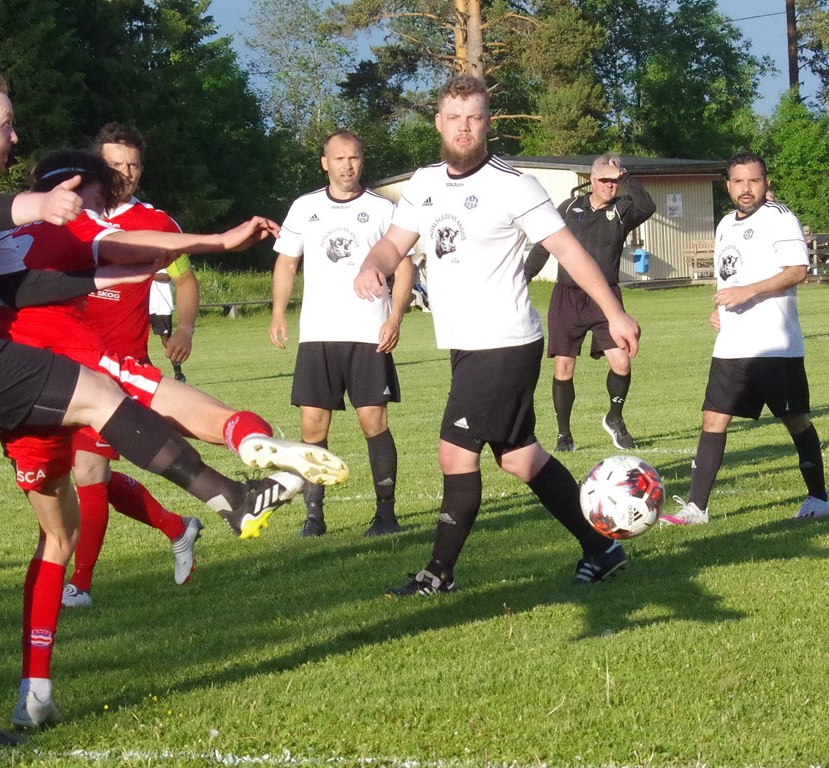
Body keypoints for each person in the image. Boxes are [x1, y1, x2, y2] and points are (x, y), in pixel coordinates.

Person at [0, 70, 347, 754]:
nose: (13, 134)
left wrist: (124, 271)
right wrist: (35, 205)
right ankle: (229, 499)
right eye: (4, 123)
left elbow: (28, 283)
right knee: (99, 394)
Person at [0, 148, 351, 731]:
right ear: (85, 188)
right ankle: (242, 448)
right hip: (59, 346)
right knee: (146, 393)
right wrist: (222, 241)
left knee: (55, 533)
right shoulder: (81, 218)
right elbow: (144, 249)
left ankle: (35, 687)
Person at [353, 74, 641, 596]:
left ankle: (437, 575)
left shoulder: (514, 184)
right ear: (440, 122)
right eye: (455, 118)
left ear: (488, 123)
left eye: (475, 118)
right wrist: (372, 265)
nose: (464, 127)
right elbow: (394, 244)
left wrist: (614, 313)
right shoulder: (424, 183)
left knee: (454, 452)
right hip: (467, 345)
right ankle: (602, 548)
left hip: (505, 341)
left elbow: (570, 252)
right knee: (519, 456)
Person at [64, 123, 202, 607]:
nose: (126, 173)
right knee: (69, 476)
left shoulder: (156, 223)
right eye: (116, 164)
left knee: (89, 470)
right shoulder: (67, 214)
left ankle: (79, 584)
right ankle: (176, 527)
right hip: (60, 364)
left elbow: (184, 279)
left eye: (134, 164)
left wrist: (183, 328)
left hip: (118, 370)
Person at [660, 151, 829, 525]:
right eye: (739, 181)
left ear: (766, 183)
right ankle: (696, 508)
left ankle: (819, 498)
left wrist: (748, 292)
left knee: (796, 419)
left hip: (774, 345)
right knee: (712, 419)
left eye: (754, 180)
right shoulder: (724, 225)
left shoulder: (779, 218)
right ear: (728, 186)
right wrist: (721, 309)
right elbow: (729, 279)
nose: (746, 188)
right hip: (732, 346)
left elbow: (798, 270)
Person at [270, 129, 413, 538]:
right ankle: (314, 517)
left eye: (354, 158)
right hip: (318, 335)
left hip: (369, 333)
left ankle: (386, 516)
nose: (347, 165)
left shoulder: (383, 209)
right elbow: (285, 263)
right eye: (339, 158)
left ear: (361, 161)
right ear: (325, 163)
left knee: (374, 422)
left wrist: (395, 317)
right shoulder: (304, 208)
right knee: (313, 426)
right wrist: (278, 312)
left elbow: (404, 267)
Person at [524, 154, 656, 452]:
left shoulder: (623, 210)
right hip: (567, 297)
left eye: (615, 180)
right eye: (605, 180)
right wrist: (523, 277)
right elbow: (545, 246)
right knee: (564, 367)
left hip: (605, 298)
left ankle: (615, 418)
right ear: (592, 180)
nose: (610, 185)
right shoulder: (569, 208)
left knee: (621, 361)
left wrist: (626, 178)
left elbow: (647, 206)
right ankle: (563, 435)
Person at [150, 268, 189, 381]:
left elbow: (167, 277)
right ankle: (150, 374)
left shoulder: (165, 260)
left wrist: (147, 275)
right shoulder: (144, 259)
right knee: (138, 341)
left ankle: (179, 373)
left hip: (161, 306)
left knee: (166, 342)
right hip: (145, 305)